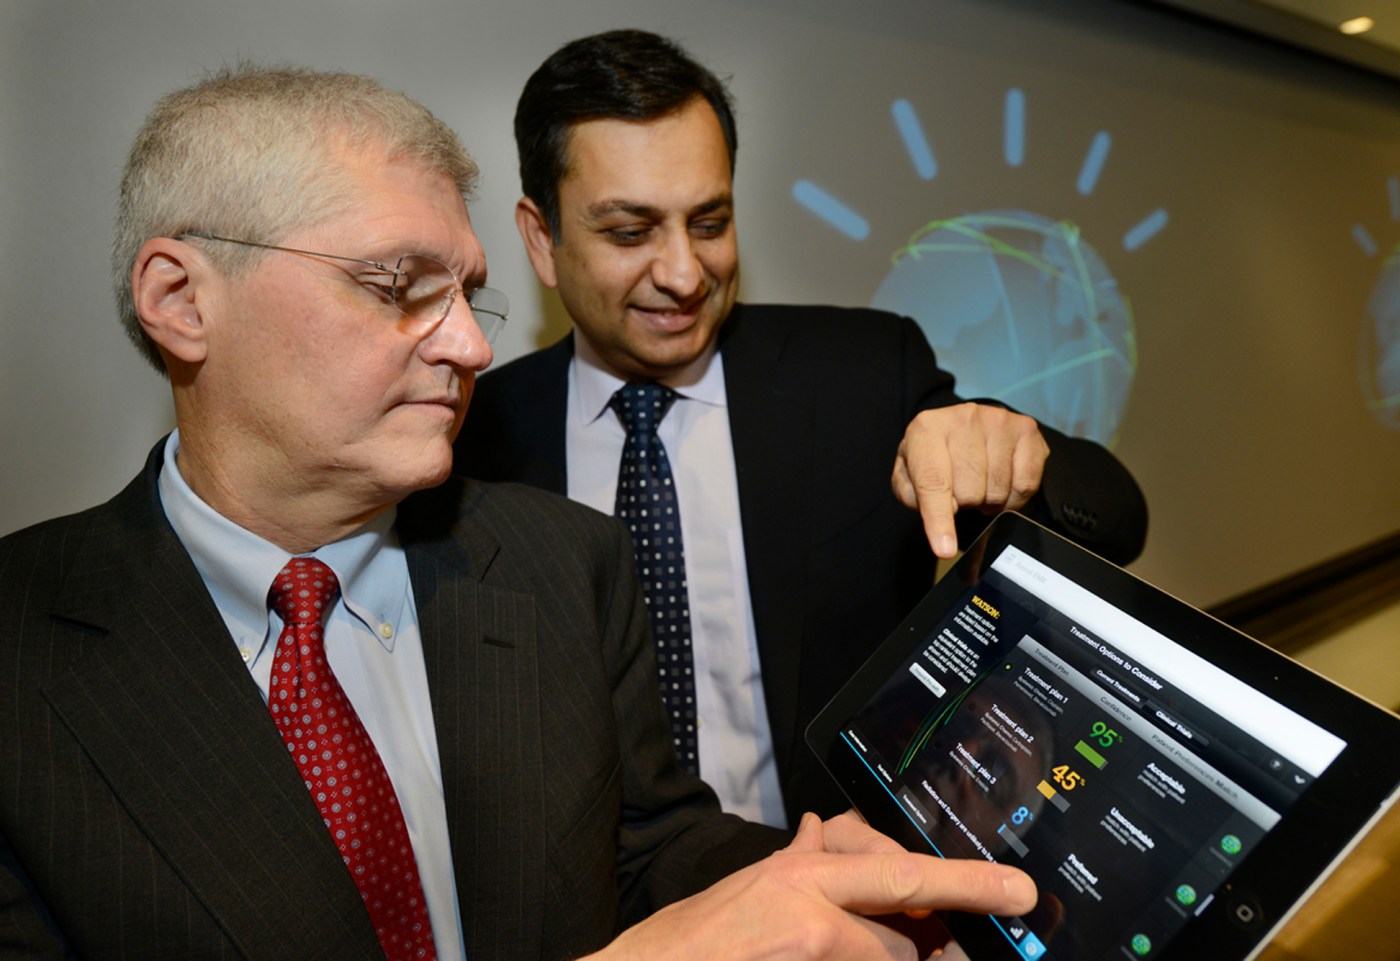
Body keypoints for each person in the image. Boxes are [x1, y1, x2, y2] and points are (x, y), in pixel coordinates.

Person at [0, 63, 1039, 961]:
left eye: (467, 294)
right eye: (401, 286)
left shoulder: (558, 559)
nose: (472, 346)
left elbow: (643, 846)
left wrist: (829, 880)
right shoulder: (22, 654)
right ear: (184, 301)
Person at [451, 29, 1149, 828]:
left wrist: (1026, 461)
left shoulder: (862, 372)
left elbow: (1118, 520)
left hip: (850, 897)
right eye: (630, 232)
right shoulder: (477, 435)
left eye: (709, 222)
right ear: (543, 239)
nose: (684, 273)